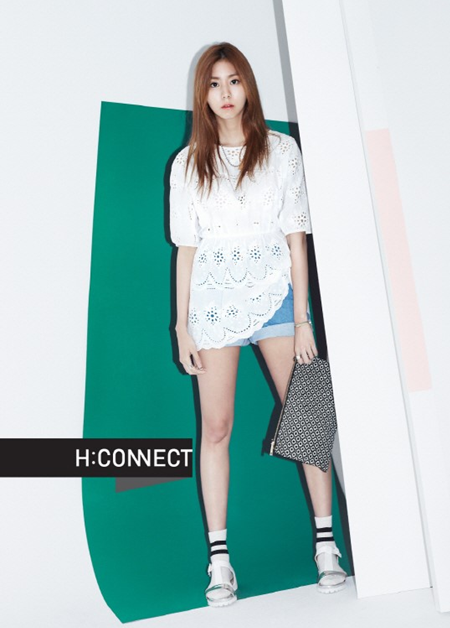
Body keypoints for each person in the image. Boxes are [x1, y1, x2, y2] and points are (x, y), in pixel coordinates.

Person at [169, 42, 347, 607]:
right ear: (203, 94)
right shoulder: (187, 163)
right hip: (212, 305)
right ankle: (220, 562)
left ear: (248, 86)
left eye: (233, 80)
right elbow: (186, 250)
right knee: (216, 428)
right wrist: (182, 327)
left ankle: (327, 547)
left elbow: (296, 239)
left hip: (276, 298)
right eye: (213, 83)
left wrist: (302, 318)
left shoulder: (282, 150)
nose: (225, 93)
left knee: (309, 415)